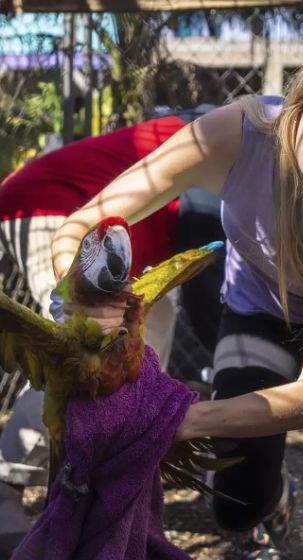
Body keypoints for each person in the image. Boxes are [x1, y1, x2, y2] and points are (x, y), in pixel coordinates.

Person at [47, 29, 303, 560]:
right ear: (300, 107)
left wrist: (168, 421)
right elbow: (83, 224)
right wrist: (81, 296)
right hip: (259, 308)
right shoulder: (239, 132)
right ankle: (277, 500)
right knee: (237, 503)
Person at [0, 109, 225, 556]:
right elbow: (211, 297)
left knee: (136, 369)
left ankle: (119, 471)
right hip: (56, 211)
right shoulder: (220, 142)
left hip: (127, 251)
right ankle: (7, 477)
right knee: (78, 365)